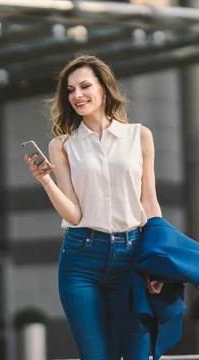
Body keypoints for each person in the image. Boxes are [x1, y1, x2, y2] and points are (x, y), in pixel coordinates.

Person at [24, 55, 164, 359]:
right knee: (96, 355)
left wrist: (156, 260)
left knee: (137, 352)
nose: (77, 95)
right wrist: (46, 181)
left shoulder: (139, 136)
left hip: (132, 253)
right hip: (81, 258)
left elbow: (150, 203)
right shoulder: (61, 145)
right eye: (71, 90)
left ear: (104, 88)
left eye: (85, 86)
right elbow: (74, 214)